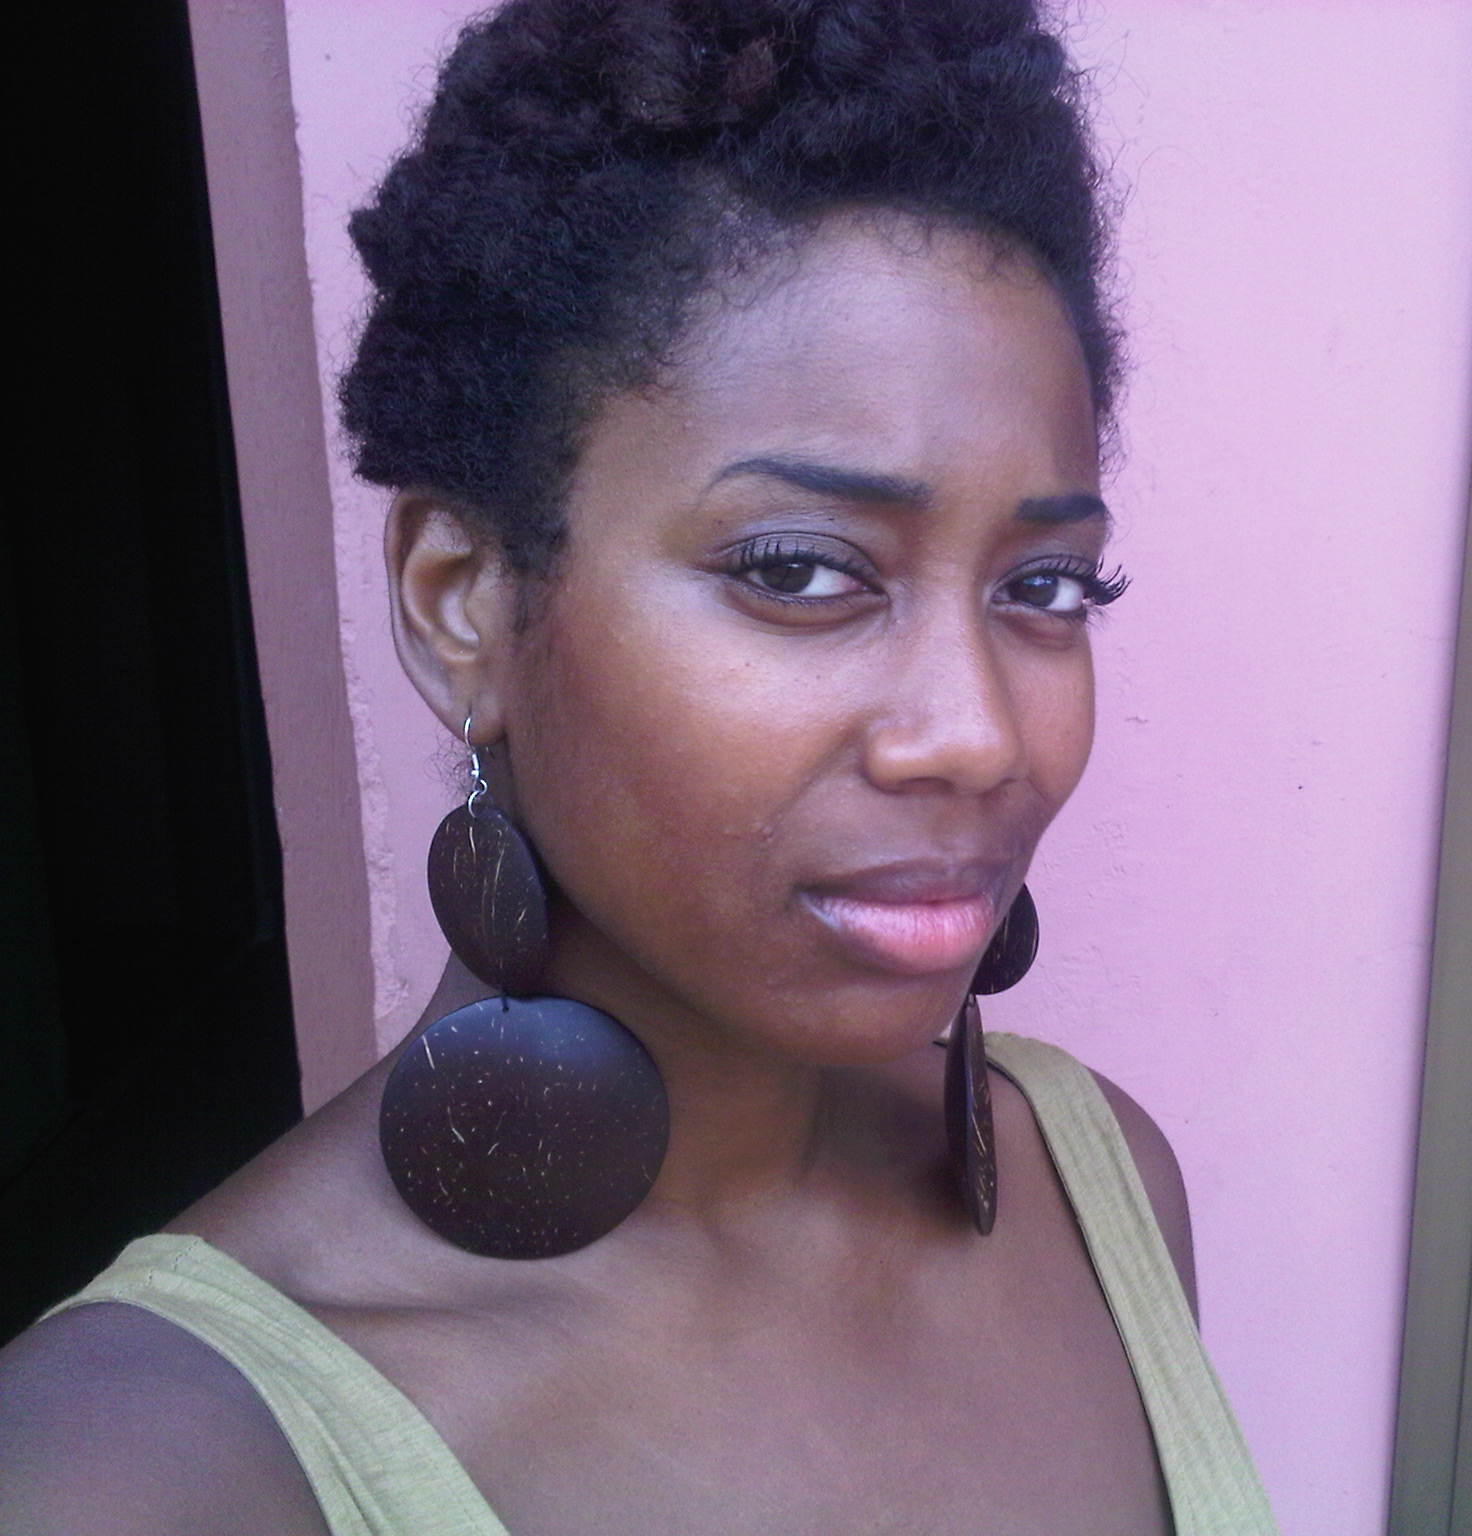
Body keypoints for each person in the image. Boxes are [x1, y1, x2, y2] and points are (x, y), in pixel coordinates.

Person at [0, 1, 1274, 1530]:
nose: (982, 734)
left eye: (1045, 587)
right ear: (463, 606)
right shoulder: (138, 1470)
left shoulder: (1102, 1180)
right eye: (801, 571)